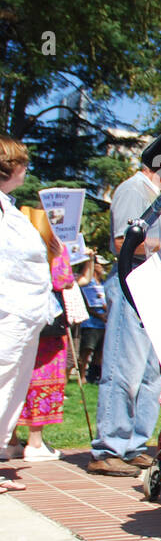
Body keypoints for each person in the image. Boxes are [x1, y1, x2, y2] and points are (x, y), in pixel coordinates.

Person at [88, 163, 161, 476]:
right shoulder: (133, 190)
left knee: (148, 373)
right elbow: (123, 243)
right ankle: (109, 447)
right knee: (125, 367)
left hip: (151, 288)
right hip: (128, 285)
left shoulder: (159, 196)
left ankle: (133, 444)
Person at [0, 134, 48, 492]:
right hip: (7, 309)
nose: (26, 168)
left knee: (13, 387)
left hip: (25, 312)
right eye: (23, 162)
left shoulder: (10, 207)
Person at [7, 208, 75, 461]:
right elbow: (62, 280)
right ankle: (35, 442)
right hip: (48, 325)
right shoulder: (51, 246)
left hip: (18, 318)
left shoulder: (13, 243)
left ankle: (11, 440)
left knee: (15, 380)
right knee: (42, 382)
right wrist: (58, 256)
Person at [77, 254, 109, 382]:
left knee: (99, 352)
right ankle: (82, 376)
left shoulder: (104, 282)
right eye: (101, 265)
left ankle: (93, 376)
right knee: (87, 350)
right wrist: (98, 315)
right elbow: (85, 302)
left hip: (104, 323)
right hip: (91, 322)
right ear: (95, 266)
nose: (103, 268)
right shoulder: (87, 282)